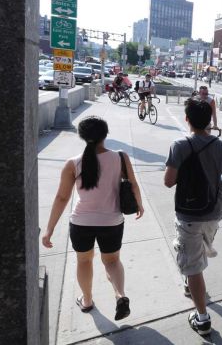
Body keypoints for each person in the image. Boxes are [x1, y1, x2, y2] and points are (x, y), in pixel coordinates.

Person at [41, 116, 144, 320]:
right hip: (112, 221)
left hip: (81, 223)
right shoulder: (120, 157)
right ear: (105, 134)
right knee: (112, 261)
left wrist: (50, 228)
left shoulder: (73, 163)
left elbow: (62, 197)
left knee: (84, 262)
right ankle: (120, 295)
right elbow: (132, 184)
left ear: (82, 136)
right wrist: (139, 205)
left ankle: (87, 300)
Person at [164, 99, 222, 335]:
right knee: (197, 251)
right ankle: (190, 277)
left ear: (187, 120)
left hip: (188, 213)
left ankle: (202, 319)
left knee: (193, 266)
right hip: (214, 212)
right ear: (210, 121)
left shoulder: (180, 145)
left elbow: (168, 181)